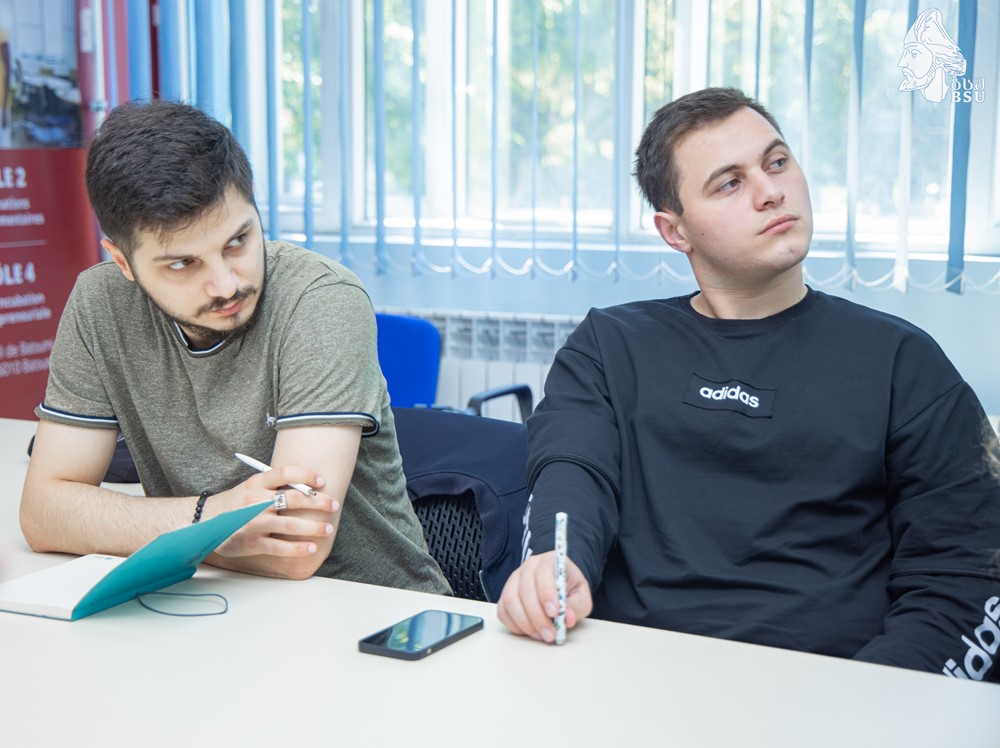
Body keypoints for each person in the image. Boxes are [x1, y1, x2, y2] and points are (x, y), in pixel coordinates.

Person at [497, 87, 1000, 681]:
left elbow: (965, 576)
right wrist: (554, 566)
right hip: (629, 679)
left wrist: (868, 706)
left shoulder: (902, 361)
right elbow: (572, 474)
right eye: (729, 183)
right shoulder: (609, 345)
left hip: (830, 690)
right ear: (675, 231)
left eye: (777, 162)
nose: (771, 191)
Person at [20, 100, 450, 594]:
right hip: (213, 599)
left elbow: (295, 547)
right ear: (123, 261)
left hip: (371, 610)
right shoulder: (100, 303)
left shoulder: (321, 299)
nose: (226, 285)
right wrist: (213, 518)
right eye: (182, 264)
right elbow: (43, 515)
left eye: (237, 241)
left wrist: (139, 527)